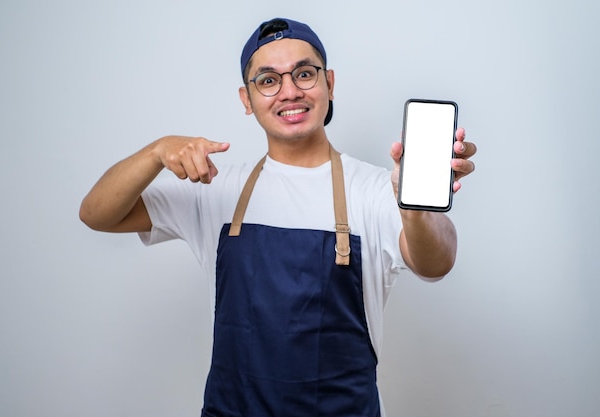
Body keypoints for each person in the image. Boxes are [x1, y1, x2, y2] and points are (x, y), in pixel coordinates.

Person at [80, 17, 476, 417]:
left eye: (304, 74)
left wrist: (415, 210)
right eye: (268, 80)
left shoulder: (376, 190)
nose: (290, 92)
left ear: (329, 84)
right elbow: (97, 214)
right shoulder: (216, 190)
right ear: (246, 99)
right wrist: (156, 151)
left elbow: (435, 264)